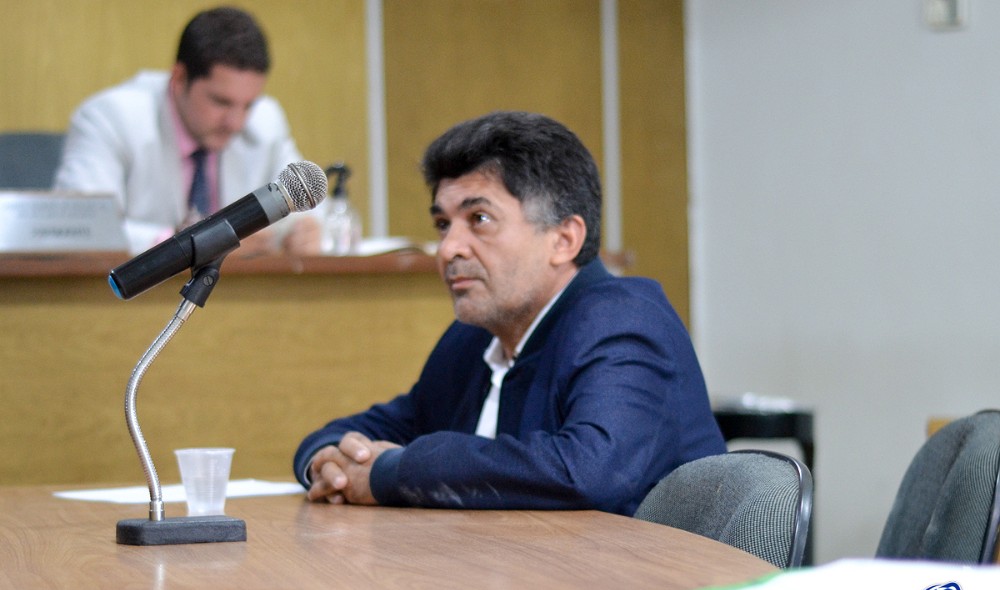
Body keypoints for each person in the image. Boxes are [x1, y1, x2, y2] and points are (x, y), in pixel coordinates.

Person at [293, 111, 725, 516]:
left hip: (643, 570)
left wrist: (395, 473)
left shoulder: (623, 321)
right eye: (443, 224)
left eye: (479, 219)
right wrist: (325, 460)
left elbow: (588, 471)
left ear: (564, 240)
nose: (448, 249)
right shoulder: (474, 339)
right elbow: (381, 427)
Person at [54, 6, 320, 256]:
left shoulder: (266, 120)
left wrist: (303, 230)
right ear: (179, 78)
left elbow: (311, 208)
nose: (236, 123)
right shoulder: (110, 119)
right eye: (221, 102)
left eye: (248, 105)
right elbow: (80, 228)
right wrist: (192, 244)